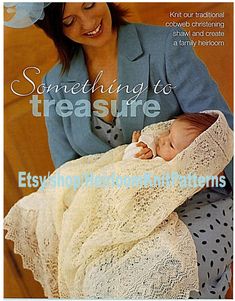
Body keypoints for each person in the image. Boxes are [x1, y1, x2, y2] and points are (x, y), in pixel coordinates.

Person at [4, 3, 233, 299]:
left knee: (155, 279)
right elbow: (67, 173)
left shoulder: (165, 46)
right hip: (117, 220)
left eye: (89, 4)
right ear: (56, 30)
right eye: (70, 20)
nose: (88, 23)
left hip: (196, 201)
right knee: (98, 285)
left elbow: (221, 129)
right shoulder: (55, 85)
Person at [123, 112, 218, 161]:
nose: (162, 139)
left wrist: (133, 151)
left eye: (171, 145)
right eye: (168, 132)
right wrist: (136, 147)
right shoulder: (157, 149)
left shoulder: (165, 168)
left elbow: (129, 167)